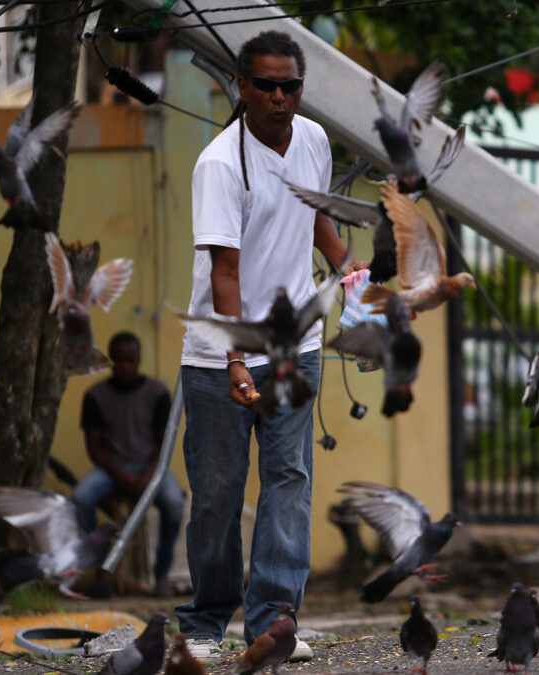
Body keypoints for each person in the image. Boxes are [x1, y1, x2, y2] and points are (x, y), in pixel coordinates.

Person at [176, 31, 361, 661]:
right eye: (267, 85)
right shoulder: (221, 164)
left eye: (291, 86)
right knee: (219, 494)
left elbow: (314, 217)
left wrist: (348, 268)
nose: (280, 97)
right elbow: (224, 271)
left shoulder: (312, 139)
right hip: (218, 356)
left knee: (288, 477)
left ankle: (273, 621)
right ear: (242, 87)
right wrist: (233, 360)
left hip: (293, 348)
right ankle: (204, 623)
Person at [72, 331, 183, 597]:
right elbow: (94, 446)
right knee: (81, 498)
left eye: (130, 360)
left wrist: (149, 475)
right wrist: (119, 474)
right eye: (119, 360)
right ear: (110, 361)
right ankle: (100, 571)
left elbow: (164, 443)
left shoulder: (157, 393)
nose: (124, 366)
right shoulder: (95, 396)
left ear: (138, 360)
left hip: (152, 468)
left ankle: (161, 575)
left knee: (174, 504)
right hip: (112, 470)